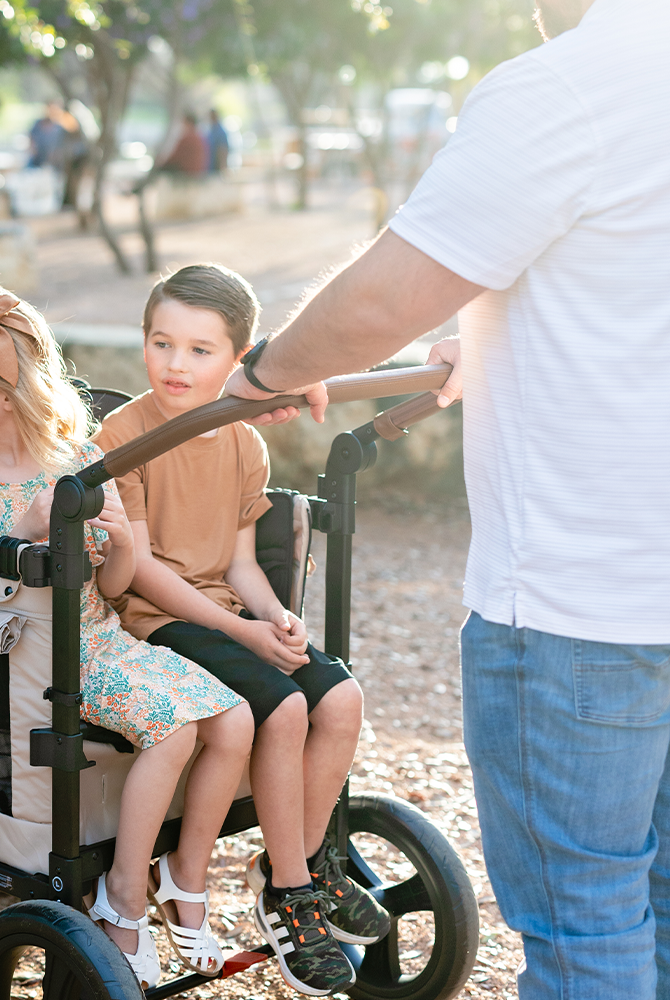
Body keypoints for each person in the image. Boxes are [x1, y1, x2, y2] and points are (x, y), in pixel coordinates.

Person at [221, 1, 670, 997]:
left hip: (580, 601)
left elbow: (382, 301)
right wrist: (501, 329)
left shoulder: (563, 86)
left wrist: (262, 373)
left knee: (587, 917)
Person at [0, 284, 254, 989]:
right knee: (175, 730)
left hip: (97, 638)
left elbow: (118, 583)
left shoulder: (78, 461)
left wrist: (122, 539)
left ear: (7, 390)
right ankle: (123, 898)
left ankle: (184, 884)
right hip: (29, 655)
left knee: (236, 717)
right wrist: (22, 534)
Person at [94, 264, 390, 997]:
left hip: (225, 610)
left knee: (341, 698)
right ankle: (290, 895)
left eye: (200, 350)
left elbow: (237, 560)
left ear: (238, 357)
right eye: (162, 343)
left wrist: (272, 617)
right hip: (159, 621)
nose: (175, 364)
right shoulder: (122, 434)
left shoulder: (240, 438)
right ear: (144, 341)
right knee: (285, 706)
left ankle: (301, 863)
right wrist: (241, 630)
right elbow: (140, 576)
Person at [206, 109, 229, 174]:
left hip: (217, 168)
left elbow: (223, 150)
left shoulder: (220, 132)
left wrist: (223, 168)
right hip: (210, 167)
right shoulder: (211, 131)